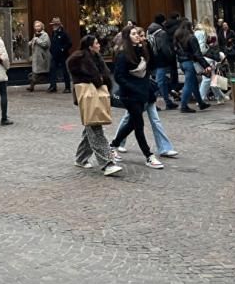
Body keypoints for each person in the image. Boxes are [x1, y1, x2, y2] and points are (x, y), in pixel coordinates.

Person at [108, 25, 164, 169]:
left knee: (132, 123)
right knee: (139, 125)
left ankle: (112, 145)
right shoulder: (122, 55)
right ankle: (148, 156)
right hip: (130, 95)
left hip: (142, 93)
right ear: (127, 37)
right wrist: (134, 88)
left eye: (137, 34)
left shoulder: (142, 51)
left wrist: (146, 45)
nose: (137, 36)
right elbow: (119, 77)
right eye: (133, 34)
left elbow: (152, 65)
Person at [67, 34, 122, 176]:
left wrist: (102, 80)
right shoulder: (78, 58)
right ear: (90, 45)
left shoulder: (97, 57)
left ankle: (80, 158)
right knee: (95, 129)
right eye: (96, 43)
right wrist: (94, 79)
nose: (99, 45)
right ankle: (107, 163)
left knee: (90, 127)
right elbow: (76, 72)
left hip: (95, 95)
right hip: (88, 96)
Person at [174, 20, 211, 113]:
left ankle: (201, 103)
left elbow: (175, 50)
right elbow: (197, 54)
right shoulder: (191, 38)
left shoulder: (177, 37)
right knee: (189, 84)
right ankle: (183, 105)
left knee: (193, 83)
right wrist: (206, 65)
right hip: (189, 62)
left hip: (182, 62)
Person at [147, 14, 178, 110]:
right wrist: (170, 57)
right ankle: (151, 102)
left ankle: (168, 102)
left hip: (153, 59)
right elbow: (164, 48)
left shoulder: (149, 30)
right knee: (159, 82)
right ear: (162, 21)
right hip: (161, 60)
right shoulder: (161, 33)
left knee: (162, 81)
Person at [200, 34, 228, 104]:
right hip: (209, 63)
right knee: (211, 81)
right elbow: (216, 57)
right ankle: (220, 97)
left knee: (209, 80)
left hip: (209, 63)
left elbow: (216, 57)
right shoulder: (211, 47)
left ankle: (201, 98)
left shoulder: (209, 47)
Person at [47, 17, 72, 93]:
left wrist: (62, 49)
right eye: (53, 25)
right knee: (52, 70)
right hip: (54, 55)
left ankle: (67, 87)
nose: (53, 26)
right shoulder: (53, 33)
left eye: (55, 25)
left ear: (58, 25)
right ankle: (53, 86)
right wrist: (51, 50)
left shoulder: (64, 33)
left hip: (63, 55)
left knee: (65, 71)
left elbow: (69, 43)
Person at [28, 20, 51, 91]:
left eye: (38, 26)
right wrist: (31, 42)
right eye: (36, 26)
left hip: (42, 57)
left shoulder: (45, 35)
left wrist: (37, 40)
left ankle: (52, 84)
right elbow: (34, 42)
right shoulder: (36, 34)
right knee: (35, 72)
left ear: (42, 26)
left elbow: (46, 44)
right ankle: (32, 86)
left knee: (39, 73)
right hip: (36, 57)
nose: (37, 27)